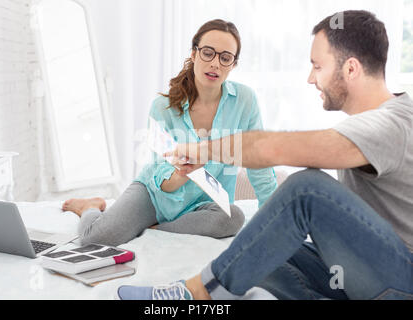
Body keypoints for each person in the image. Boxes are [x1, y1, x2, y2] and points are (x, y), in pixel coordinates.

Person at [118, 10, 413, 300]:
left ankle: (196, 293)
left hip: (401, 280)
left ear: (350, 69)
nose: (311, 78)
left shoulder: (390, 125)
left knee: (306, 188)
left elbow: (273, 150)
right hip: (366, 268)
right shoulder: (373, 123)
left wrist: (205, 151)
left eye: (318, 66)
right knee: (263, 248)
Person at [62, 19, 278, 246]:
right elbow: (161, 176)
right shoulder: (162, 107)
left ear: (233, 64)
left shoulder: (245, 101)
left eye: (225, 58)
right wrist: (181, 173)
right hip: (156, 195)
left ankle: (155, 230)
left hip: (202, 205)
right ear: (194, 54)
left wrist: (274, 219)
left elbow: (260, 164)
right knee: (93, 238)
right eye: (208, 53)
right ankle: (89, 207)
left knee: (233, 217)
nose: (215, 63)